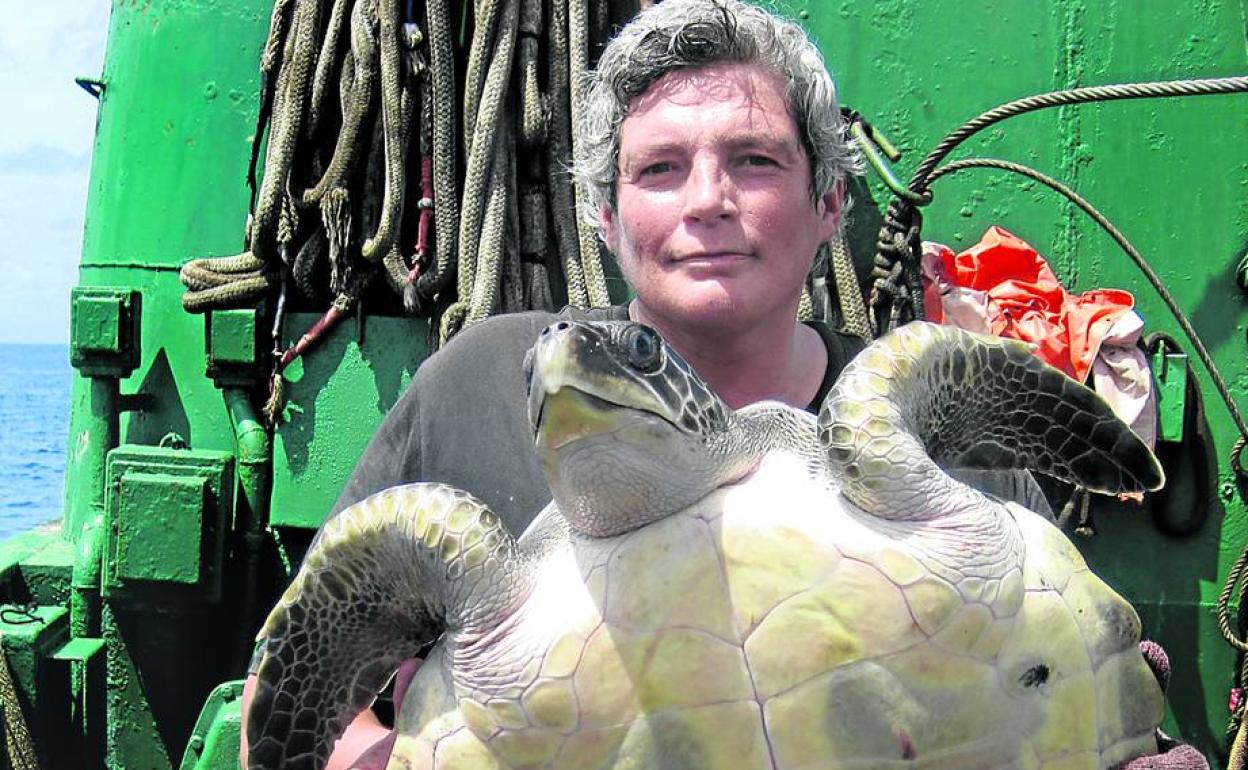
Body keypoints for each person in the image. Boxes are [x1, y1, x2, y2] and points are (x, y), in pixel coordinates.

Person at [241, 1, 1194, 768]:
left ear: (829, 205)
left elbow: (1037, 687)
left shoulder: (911, 427)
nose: (708, 200)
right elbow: (285, 720)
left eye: (754, 159)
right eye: (659, 169)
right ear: (606, 221)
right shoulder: (480, 382)